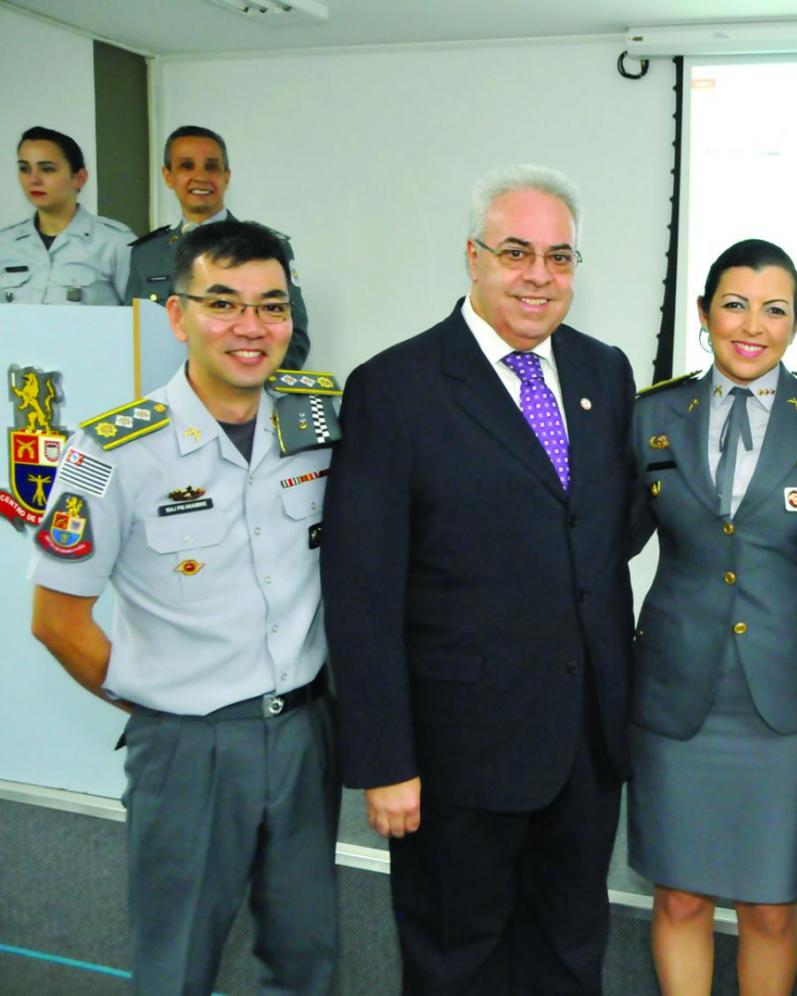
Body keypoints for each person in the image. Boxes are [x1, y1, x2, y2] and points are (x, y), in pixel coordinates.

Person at [321, 164, 636, 994]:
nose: (540, 275)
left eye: (560, 257)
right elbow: (361, 589)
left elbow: (600, 540)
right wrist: (384, 760)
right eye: (517, 252)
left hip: (582, 748)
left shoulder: (606, 373)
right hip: (455, 753)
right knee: (457, 961)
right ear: (472, 257)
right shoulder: (395, 388)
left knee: (571, 950)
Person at [28, 219, 340, 993]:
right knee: (177, 965)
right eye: (223, 303)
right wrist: (160, 699)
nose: (250, 327)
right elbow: (56, 619)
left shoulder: (317, 420)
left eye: (271, 306)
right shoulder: (111, 453)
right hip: (188, 751)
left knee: (307, 959)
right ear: (177, 315)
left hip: (305, 736)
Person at [629, 239, 797, 995]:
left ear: (796, 322)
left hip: (785, 702)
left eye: (774, 309)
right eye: (734, 304)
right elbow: (606, 538)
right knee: (681, 894)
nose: (752, 326)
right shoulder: (653, 413)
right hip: (675, 695)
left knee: (769, 906)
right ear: (703, 313)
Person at [125, 125, 309, 367]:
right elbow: (131, 340)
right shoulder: (146, 254)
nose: (201, 176)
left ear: (226, 176)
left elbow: (293, 338)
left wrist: (252, 389)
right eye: (186, 166)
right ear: (168, 176)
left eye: (211, 166)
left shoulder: (266, 247)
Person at [3, 126, 133, 304]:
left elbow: (142, 321)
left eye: (47, 169)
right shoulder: (5, 244)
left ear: (79, 178)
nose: (33, 179)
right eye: (25, 169)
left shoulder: (114, 243)